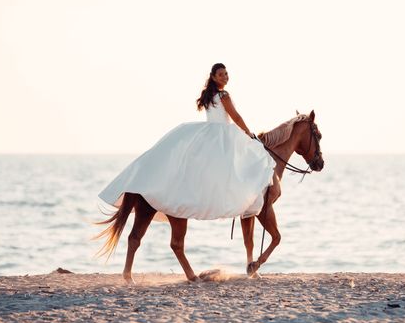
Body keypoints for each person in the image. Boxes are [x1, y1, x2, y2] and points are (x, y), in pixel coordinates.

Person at [98, 63, 276, 222]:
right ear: (213, 77)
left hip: (209, 134)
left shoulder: (209, 95)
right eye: (221, 74)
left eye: (227, 73)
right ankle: (240, 201)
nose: (225, 77)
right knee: (248, 161)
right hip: (222, 135)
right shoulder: (223, 95)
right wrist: (249, 133)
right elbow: (235, 116)